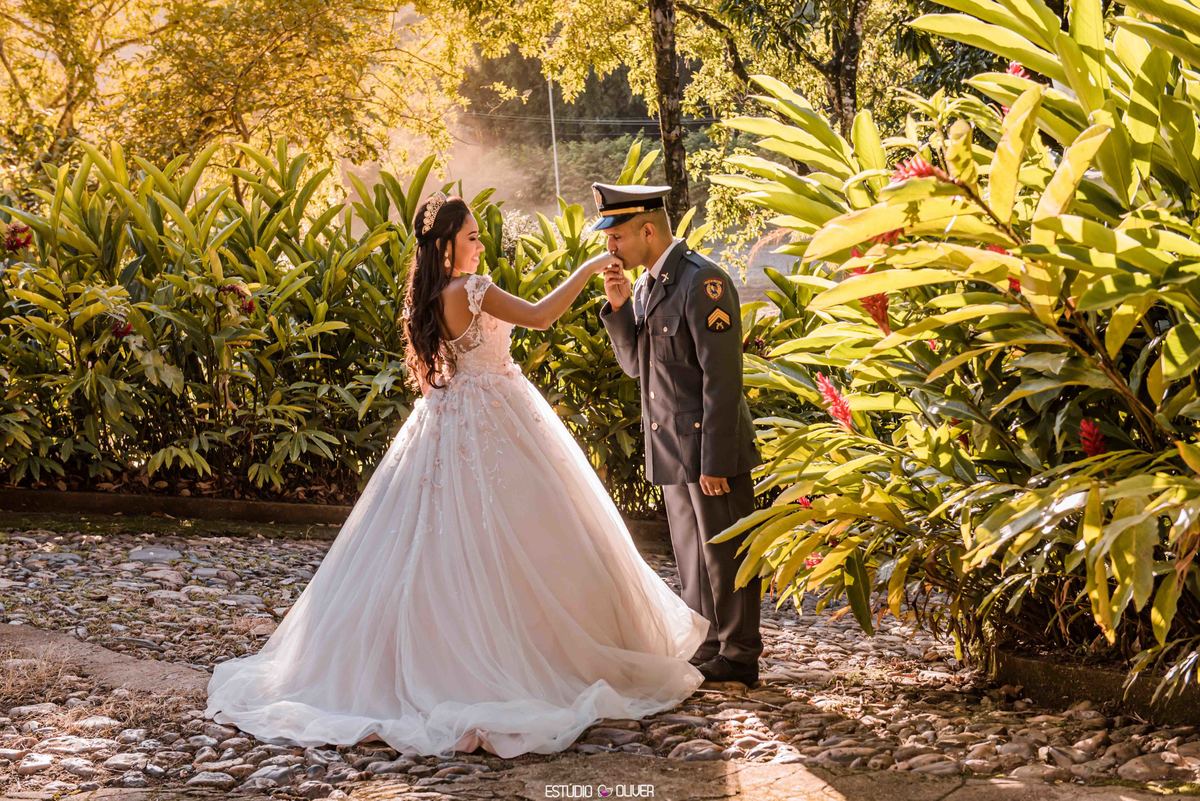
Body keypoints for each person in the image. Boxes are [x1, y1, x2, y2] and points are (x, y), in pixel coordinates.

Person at [205, 192, 708, 758]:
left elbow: (440, 374)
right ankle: (532, 659)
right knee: (523, 531)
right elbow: (541, 316)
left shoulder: (429, 297)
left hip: (449, 417)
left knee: (437, 536)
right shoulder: (473, 289)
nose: (480, 244)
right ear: (446, 247)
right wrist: (590, 269)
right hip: (496, 412)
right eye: (471, 237)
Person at [594, 182, 764, 687]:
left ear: (648, 230)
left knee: (726, 553)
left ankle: (739, 654)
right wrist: (619, 308)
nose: (611, 248)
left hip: (707, 446)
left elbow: (722, 379)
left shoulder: (701, 281)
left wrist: (716, 460)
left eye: (617, 237)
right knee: (693, 556)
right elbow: (637, 367)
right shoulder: (646, 287)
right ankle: (707, 644)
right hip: (671, 445)